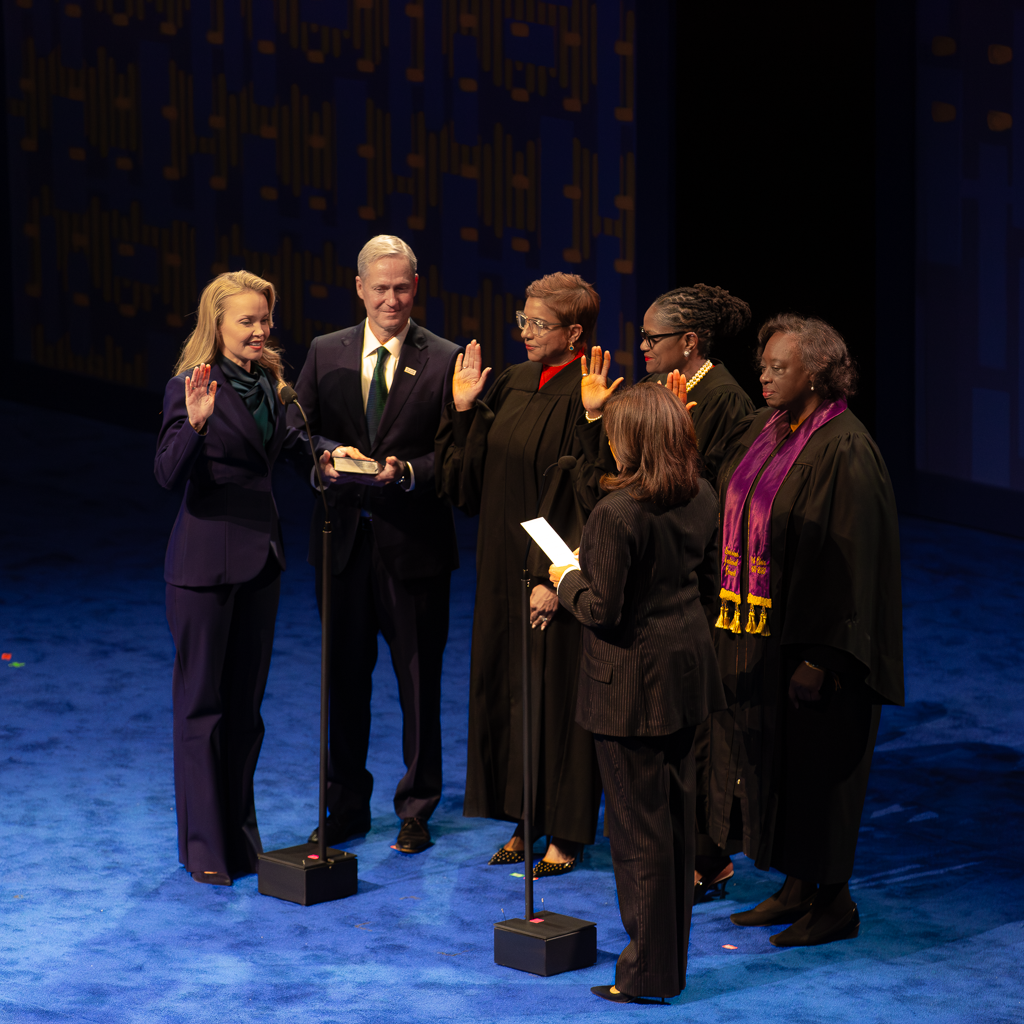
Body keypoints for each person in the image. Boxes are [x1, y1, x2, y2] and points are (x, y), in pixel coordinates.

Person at [708, 314, 904, 946]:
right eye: (762, 365)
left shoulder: (845, 446)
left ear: (816, 373)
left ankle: (835, 902)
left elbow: (854, 563)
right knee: (780, 766)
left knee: (821, 772)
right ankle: (795, 887)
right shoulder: (768, 429)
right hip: (766, 633)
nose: (763, 376)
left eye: (777, 368)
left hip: (821, 648)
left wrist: (824, 657)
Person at [435, 272, 615, 874]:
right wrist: (462, 410)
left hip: (555, 574)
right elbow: (466, 482)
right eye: (523, 320)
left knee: (559, 694)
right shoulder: (509, 382)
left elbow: (589, 494)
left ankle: (567, 832)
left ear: (575, 332)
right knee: (511, 689)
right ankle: (523, 817)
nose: (526, 332)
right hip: (499, 568)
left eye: (540, 325)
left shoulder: (592, 395)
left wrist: (554, 577)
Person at [549, 383, 724, 1002]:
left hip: (628, 692)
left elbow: (603, 610)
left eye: (616, 433)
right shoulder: (703, 493)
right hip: (683, 676)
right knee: (674, 829)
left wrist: (565, 579)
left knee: (638, 837)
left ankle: (647, 974)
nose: (611, 443)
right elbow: (704, 589)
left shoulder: (616, 514)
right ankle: (665, 967)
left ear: (636, 440)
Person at [289, 235, 460, 855]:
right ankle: (346, 807)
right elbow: (296, 430)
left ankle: (416, 809)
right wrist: (326, 458)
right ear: (359, 287)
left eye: (403, 287)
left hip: (413, 547)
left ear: (417, 286)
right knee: (345, 682)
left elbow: (461, 453)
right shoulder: (323, 351)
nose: (392, 299)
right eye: (380, 288)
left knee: (418, 684)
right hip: (341, 546)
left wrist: (407, 472)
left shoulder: (444, 358)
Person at [155, 270, 310, 886]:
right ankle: (204, 848)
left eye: (264, 319)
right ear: (216, 325)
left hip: (260, 562)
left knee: (246, 712)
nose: (259, 330)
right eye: (246, 320)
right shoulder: (189, 387)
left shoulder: (272, 382)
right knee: (202, 709)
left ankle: (243, 841)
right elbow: (166, 474)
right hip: (202, 569)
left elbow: (301, 446)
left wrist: (338, 460)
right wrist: (193, 426)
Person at [638, 283, 754, 476]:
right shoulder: (651, 383)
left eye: (652, 338)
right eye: (644, 335)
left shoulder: (725, 401)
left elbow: (713, 482)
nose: (643, 346)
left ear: (689, 341)